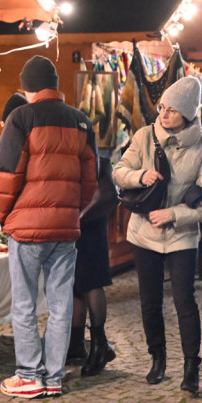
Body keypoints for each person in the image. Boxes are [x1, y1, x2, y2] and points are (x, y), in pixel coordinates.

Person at [0, 56, 97, 398]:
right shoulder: (81, 121)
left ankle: (28, 375)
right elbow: (89, 182)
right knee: (61, 303)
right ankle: (53, 376)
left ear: (28, 85)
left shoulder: (21, 117)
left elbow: (8, 174)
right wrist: (72, 212)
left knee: (24, 302)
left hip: (26, 229)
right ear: (54, 83)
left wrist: (2, 215)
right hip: (66, 229)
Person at [113, 76, 202, 392]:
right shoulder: (145, 136)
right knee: (150, 301)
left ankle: (191, 366)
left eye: (173, 110)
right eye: (163, 107)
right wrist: (140, 175)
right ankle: (157, 358)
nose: (165, 114)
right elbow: (118, 172)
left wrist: (173, 215)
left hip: (182, 234)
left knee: (185, 300)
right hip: (143, 232)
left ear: (188, 114)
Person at [68, 153, 119, 375]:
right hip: (72, 227)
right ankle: (76, 344)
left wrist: (77, 221)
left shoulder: (100, 160)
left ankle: (100, 345)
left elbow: (109, 195)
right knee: (75, 285)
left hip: (90, 228)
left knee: (91, 283)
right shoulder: (69, 155)